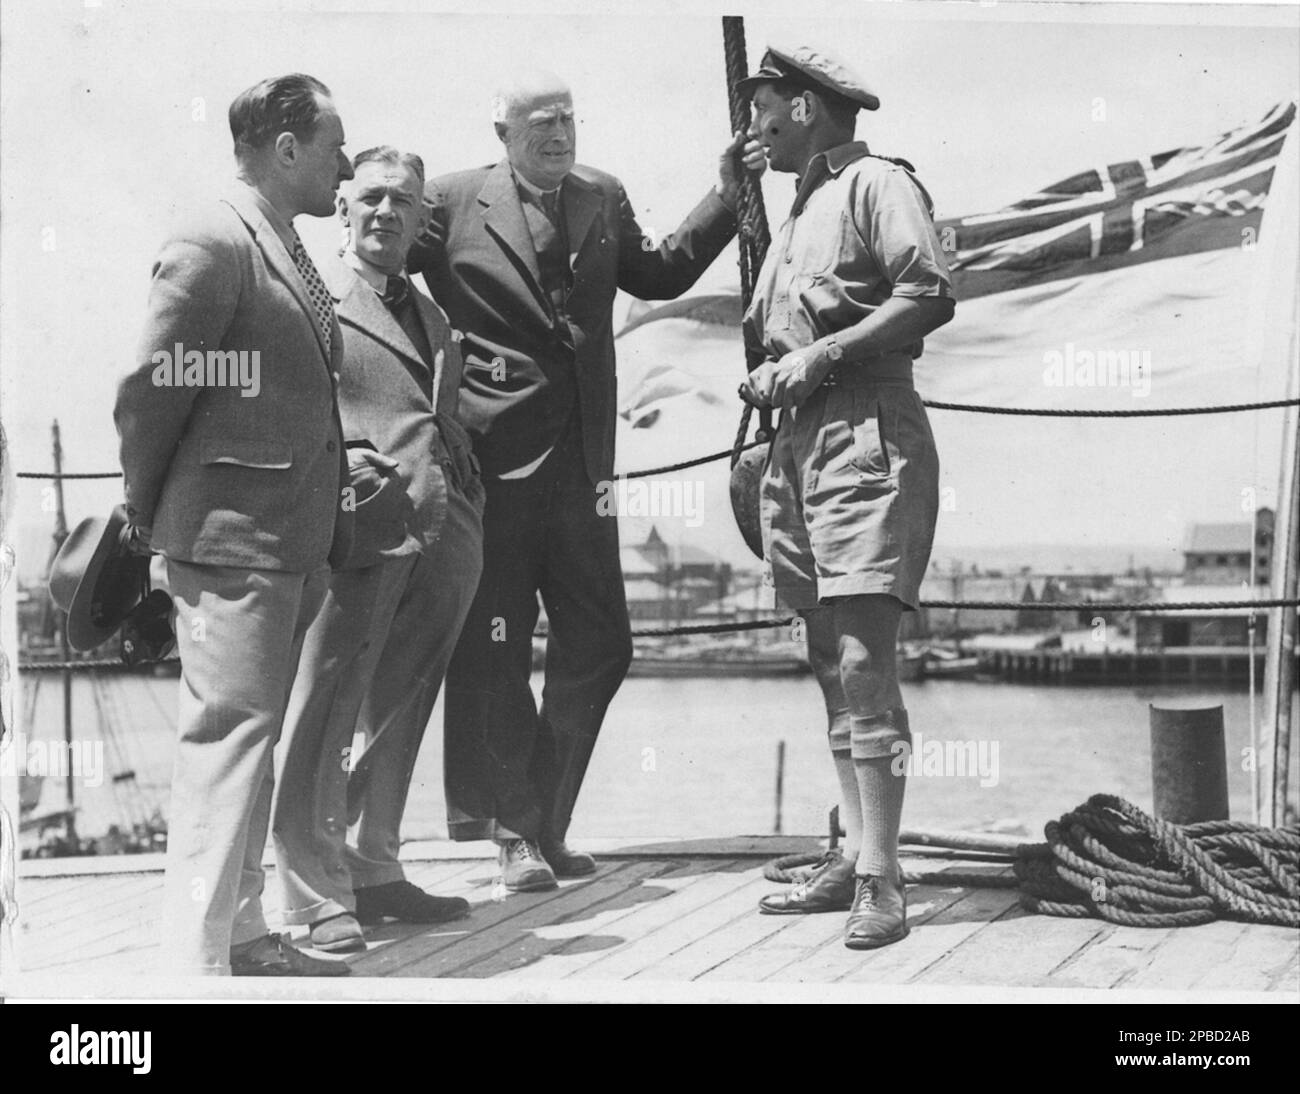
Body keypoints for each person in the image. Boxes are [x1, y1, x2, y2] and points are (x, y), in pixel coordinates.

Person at [407, 69, 763, 891]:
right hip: (488, 464)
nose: (559, 133)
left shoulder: (602, 193)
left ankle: (542, 819)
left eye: (567, 118)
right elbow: (379, 272)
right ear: (503, 132)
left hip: (584, 468)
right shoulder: (451, 201)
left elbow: (663, 273)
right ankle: (514, 837)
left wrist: (724, 195)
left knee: (601, 644)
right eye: (540, 122)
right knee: (494, 647)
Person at [114, 73, 356, 975]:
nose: (346, 162)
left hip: (288, 540)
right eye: (335, 145)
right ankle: (193, 968)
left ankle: (245, 934)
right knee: (224, 748)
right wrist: (148, 513)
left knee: (248, 743)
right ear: (286, 148)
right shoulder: (215, 236)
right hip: (231, 540)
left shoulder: (281, 242)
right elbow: (152, 390)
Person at [737, 45, 955, 949]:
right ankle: (854, 849)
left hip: (864, 433)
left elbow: (930, 292)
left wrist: (822, 355)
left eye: (760, 110)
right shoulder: (796, 212)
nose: (751, 127)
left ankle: (883, 876)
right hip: (796, 446)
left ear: (805, 106)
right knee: (828, 657)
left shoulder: (875, 184)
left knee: (867, 659)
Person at [272, 146, 485, 954]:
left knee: (400, 707)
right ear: (344, 206)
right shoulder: (312, 297)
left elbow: (431, 410)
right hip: (349, 530)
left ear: (424, 219)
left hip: (436, 533)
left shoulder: (432, 316)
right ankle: (311, 892)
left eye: (405, 201)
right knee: (322, 709)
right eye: (372, 197)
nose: (387, 212)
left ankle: (373, 865)